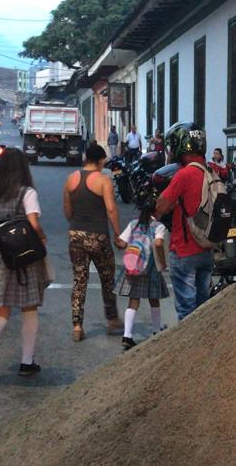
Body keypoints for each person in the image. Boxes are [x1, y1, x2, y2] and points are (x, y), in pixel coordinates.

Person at [0, 148, 50, 391]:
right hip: (25, 256)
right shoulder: (27, 192)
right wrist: (42, 239)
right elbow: (33, 224)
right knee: (29, 308)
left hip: (1, 255)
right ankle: (27, 362)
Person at [63, 143, 123, 342]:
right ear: (98, 160)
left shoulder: (71, 179)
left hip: (76, 234)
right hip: (98, 236)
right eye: (103, 160)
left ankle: (77, 325)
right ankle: (112, 319)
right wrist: (118, 234)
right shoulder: (103, 180)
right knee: (107, 278)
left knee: (79, 280)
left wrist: (76, 223)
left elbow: (67, 209)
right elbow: (111, 209)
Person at [155, 125, 213, 321]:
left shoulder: (184, 174)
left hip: (184, 250)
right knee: (203, 309)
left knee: (186, 312)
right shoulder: (210, 172)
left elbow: (162, 206)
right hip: (207, 248)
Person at [113, 199, 169, 350]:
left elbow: (122, 243)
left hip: (134, 267)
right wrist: (162, 262)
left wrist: (116, 239)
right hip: (150, 268)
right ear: (155, 211)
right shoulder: (159, 226)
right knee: (154, 299)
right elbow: (158, 243)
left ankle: (127, 335)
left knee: (134, 300)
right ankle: (156, 330)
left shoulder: (134, 224)